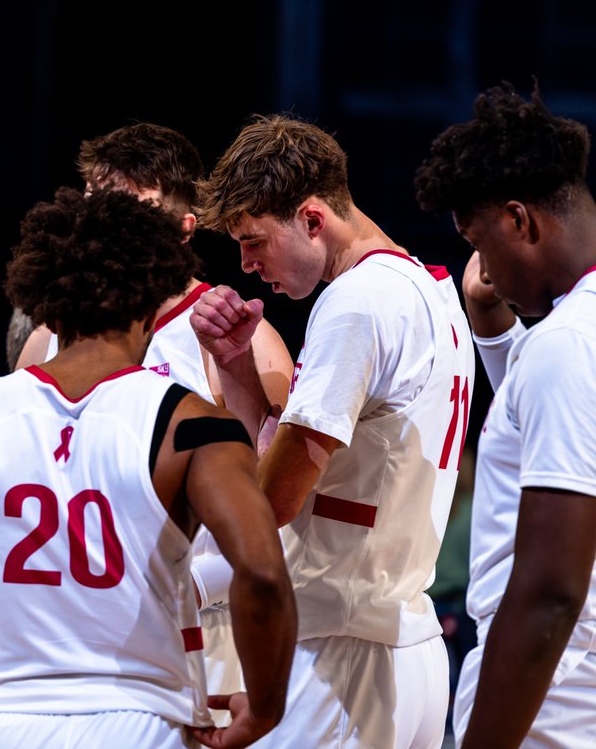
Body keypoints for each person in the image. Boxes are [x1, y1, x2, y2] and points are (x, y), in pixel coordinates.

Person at [0, 187, 296, 749]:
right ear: (154, 299)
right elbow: (263, 573)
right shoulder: (194, 425)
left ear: (42, 302)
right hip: (140, 723)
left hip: (0, 725)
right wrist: (263, 710)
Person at [191, 113, 476, 749]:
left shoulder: (355, 302)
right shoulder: (430, 288)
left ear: (312, 220)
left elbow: (272, 502)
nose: (246, 264)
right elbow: (295, 463)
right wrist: (237, 367)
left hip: (341, 656)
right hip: (404, 642)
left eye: (254, 241)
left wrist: (185, 561)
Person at [13, 122, 295, 711]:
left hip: (200, 624)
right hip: (72, 623)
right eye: (96, 200)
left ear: (184, 227)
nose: (104, 219)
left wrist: (199, 585)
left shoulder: (237, 332)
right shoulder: (46, 339)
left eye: (130, 205)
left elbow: (283, 505)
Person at [413, 81, 596, 749]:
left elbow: (550, 589)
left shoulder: (566, 344)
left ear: (521, 221)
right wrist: (491, 326)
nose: (484, 269)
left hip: (553, 699)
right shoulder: (575, 335)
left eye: (480, 242)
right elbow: (545, 415)